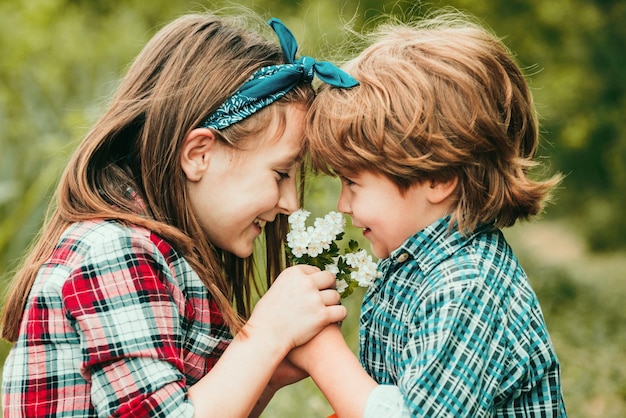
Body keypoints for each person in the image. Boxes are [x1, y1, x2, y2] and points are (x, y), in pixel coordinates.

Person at [1, 12, 358, 417]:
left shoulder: (171, 260)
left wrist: (269, 374)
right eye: (280, 174)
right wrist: (267, 335)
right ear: (198, 155)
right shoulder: (116, 253)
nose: (290, 203)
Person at [289, 10, 567, 417]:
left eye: (353, 183)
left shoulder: (466, 286)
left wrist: (322, 353)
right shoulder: (414, 267)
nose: (342, 205)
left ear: (437, 179)